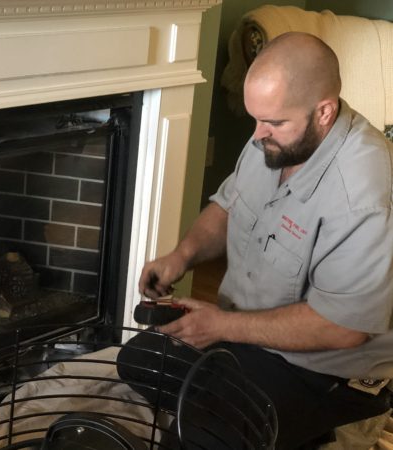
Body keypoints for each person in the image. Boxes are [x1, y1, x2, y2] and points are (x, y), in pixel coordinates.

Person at [117, 32, 393, 449]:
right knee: (137, 360)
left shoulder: (365, 196)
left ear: (324, 111)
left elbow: (343, 329)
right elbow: (230, 206)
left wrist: (221, 326)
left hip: (326, 370)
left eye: (274, 122)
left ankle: (320, 431)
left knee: (200, 437)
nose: (258, 133)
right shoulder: (275, 138)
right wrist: (182, 255)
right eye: (256, 118)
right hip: (247, 335)